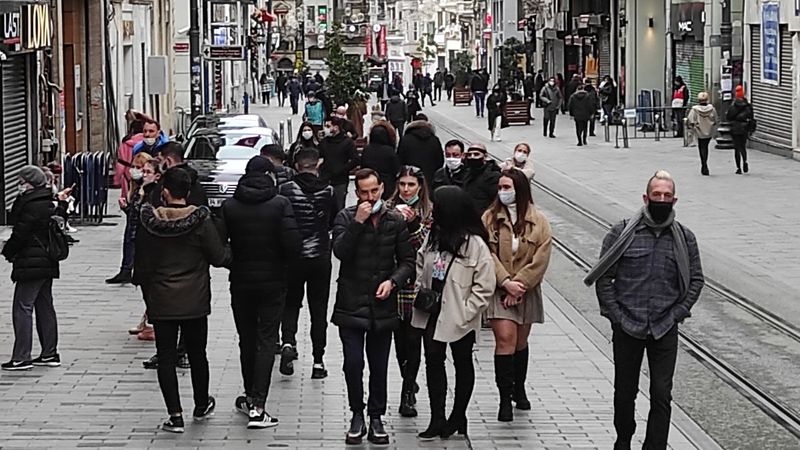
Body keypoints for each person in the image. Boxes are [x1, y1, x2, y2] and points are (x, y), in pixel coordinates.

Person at [584, 170, 704, 450]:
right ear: (645, 197)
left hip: (665, 325)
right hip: (628, 325)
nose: (661, 200)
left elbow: (696, 279)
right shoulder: (622, 232)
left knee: (662, 392)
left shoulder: (685, 238)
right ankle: (623, 438)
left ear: (674, 200)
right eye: (656, 195)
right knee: (625, 391)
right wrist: (616, 316)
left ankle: (655, 446)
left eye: (666, 196)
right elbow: (605, 276)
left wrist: (678, 313)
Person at [136, 168, 231, 433]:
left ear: (164, 192)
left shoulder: (149, 222)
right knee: (197, 353)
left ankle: (175, 414)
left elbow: (141, 260)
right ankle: (201, 404)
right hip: (194, 300)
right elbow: (219, 257)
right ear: (187, 192)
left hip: (162, 299)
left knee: (166, 356)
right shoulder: (200, 221)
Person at [332, 169, 415, 445]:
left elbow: (408, 262)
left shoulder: (394, 221)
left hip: (382, 306)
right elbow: (341, 252)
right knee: (353, 363)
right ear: (357, 194)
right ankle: (357, 413)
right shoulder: (346, 217)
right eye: (364, 192)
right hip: (351, 302)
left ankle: (376, 416)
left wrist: (393, 282)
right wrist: (358, 222)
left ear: (382, 188)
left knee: (379, 365)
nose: (370, 197)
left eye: (374, 191)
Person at [221, 155, 301, 429]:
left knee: (247, 338)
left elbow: (220, 248)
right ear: (269, 176)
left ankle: (249, 393)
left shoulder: (230, 206)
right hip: (273, 282)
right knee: (268, 339)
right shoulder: (280, 204)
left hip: (241, 282)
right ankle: (259, 404)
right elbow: (293, 245)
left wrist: (236, 261)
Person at [412, 185, 495, 439]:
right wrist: (419, 291)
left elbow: (485, 284)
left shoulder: (475, 244)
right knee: (433, 361)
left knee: (462, 362)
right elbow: (419, 263)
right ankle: (437, 417)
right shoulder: (433, 236)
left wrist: (468, 312)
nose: (433, 210)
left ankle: (459, 415)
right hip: (431, 311)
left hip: (459, 314)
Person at [482, 169, 552, 422]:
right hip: (498, 289)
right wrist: (506, 283)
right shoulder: (489, 218)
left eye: (507, 187)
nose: (503, 192)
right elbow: (485, 253)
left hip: (527, 290)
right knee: (505, 339)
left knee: (520, 342)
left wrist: (520, 284)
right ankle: (504, 398)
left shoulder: (538, 220)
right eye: (500, 187)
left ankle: (518, 387)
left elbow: (541, 258)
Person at [278, 149, 334, 379]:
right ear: (318, 164)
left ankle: (288, 342)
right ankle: (318, 361)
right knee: (318, 309)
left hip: (293, 256)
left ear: (296, 165)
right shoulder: (329, 191)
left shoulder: (284, 190)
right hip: (320, 255)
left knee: (290, 303)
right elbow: (333, 221)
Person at [1, 166, 61, 371]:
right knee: (44, 306)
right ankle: (49, 353)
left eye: (21, 180)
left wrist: (7, 251)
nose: (19, 184)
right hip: (46, 261)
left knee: (22, 306)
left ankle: (21, 356)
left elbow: (21, 234)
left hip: (31, 262)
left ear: (29, 182)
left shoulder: (31, 205)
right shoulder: (45, 201)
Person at [385, 166, 433, 418]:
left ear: (420, 187)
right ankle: (407, 377)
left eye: (411, 185)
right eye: (402, 184)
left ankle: (407, 393)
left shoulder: (429, 211)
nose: (406, 190)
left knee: (414, 340)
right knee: (399, 342)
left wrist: (413, 223)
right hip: (395, 283)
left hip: (418, 284)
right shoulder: (386, 208)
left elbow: (427, 243)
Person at [127, 158, 161, 340]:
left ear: (157, 176)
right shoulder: (141, 191)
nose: (143, 174)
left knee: (150, 285)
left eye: (147, 172)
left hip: (149, 246)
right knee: (144, 283)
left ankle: (153, 322)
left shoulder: (155, 194)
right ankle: (149, 319)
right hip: (140, 243)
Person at [319, 116, 359, 220]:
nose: (325, 128)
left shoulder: (347, 142)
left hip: (340, 180)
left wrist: (343, 169)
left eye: (328, 126)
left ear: (336, 127)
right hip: (325, 179)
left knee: (339, 207)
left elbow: (355, 159)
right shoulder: (324, 142)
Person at [397, 117, 444, 189]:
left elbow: (400, 159)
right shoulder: (434, 140)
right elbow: (440, 160)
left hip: (410, 177)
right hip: (429, 176)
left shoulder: (406, 139)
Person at [360, 121, 400, 200]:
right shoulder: (389, 150)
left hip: (370, 182)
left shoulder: (367, 150)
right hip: (387, 183)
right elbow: (396, 168)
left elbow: (363, 166)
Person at [462, 143, 501, 214]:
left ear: (485, 156)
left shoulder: (492, 176)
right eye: (469, 155)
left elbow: (496, 202)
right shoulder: (467, 173)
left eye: (476, 154)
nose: (472, 157)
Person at [686, 92, 718, 176]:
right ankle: (705, 163)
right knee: (706, 147)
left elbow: (690, 120)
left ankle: (703, 164)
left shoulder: (695, 110)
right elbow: (715, 119)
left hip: (699, 130)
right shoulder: (712, 109)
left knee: (701, 147)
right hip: (709, 130)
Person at [726, 85, 754, 175]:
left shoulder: (733, 106)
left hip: (735, 128)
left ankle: (738, 168)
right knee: (743, 146)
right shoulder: (748, 106)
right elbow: (751, 117)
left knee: (736, 148)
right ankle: (745, 161)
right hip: (744, 128)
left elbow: (728, 117)